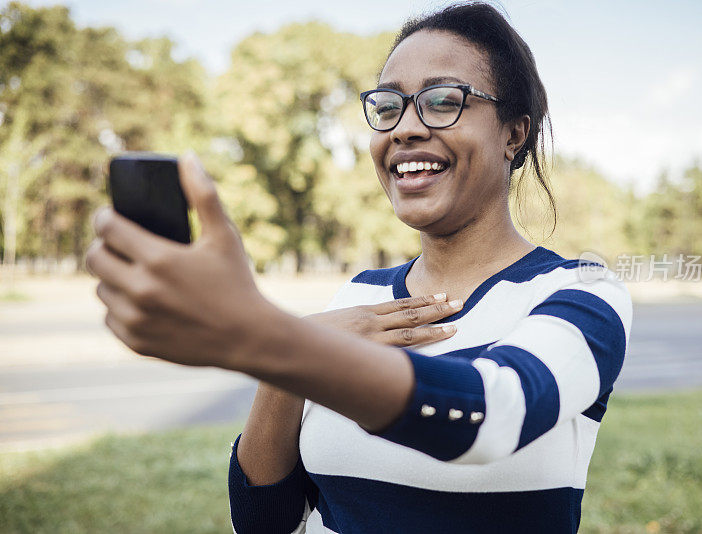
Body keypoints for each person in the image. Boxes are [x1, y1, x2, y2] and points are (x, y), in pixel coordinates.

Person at [86, 2, 632, 533]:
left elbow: (493, 414)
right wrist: (287, 367)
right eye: (389, 106)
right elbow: (265, 522)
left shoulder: (581, 291)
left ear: (515, 133)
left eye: (443, 101)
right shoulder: (355, 295)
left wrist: (269, 338)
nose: (406, 129)